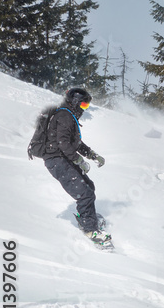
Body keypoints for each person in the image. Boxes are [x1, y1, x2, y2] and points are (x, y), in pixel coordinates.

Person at [32, 87, 112, 250]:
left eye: (86, 106)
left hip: (61, 159)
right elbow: (63, 143)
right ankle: (91, 231)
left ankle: (88, 218)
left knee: (89, 187)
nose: (84, 109)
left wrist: (93, 155)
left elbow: (75, 143)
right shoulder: (65, 116)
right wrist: (79, 160)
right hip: (56, 160)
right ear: (75, 102)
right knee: (85, 194)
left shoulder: (67, 115)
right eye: (83, 105)